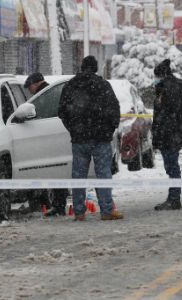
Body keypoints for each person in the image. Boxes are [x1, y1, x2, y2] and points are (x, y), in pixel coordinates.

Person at [58, 55, 123, 221]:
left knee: (78, 175)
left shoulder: (71, 85)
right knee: (103, 174)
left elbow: (62, 111)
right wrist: (108, 129)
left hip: (79, 139)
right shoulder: (103, 85)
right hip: (101, 138)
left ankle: (79, 212)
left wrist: (73, 129)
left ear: (81, 67)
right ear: (95, 68)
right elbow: (115, 110)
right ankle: (107, 210)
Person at [24, 72, 69, 216]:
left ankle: (58, 205)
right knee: (56, 172)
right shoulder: (50, 93)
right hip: (54, 137)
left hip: (49, 139)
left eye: (29, 87)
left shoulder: (44, 96)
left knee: (54, 172)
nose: (29, 90)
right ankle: (57, 204)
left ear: (36, 84)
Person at [152, 59, 182, 210]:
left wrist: (162, 134)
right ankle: (173, 197)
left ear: (162, 75)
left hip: (169, 136)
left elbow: (167, 115)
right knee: (171, 167)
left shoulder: (169, 89)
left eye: (156, 76)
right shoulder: (167, 87)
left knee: (172, 167)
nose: (155, 80)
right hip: (170, 135)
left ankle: (174, 199)